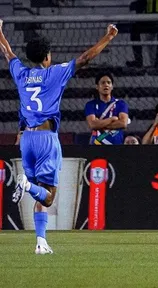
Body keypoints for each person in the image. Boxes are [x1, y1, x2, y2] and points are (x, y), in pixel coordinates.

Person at [0, 19, 118, 254]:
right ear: (46, 57)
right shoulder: (55, 73)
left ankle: (41, 242)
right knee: (49, 197)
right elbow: (85, 59)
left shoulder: (21, 73)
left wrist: (0, 32)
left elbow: (7, 52)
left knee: (39, 195)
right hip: (46, 139)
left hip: (27, 140)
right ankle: (25, 184)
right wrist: (109, 37)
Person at [85, 72, 129, 145]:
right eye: (103, 83)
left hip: (117, 145)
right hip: (97, 144)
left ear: (112, 86)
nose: (106, 85)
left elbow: (123, 123)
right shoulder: (90, 105)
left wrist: (99, 124)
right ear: (97, 87)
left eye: (109, 83)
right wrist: (112, 119)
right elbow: (92, 125)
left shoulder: (121, 104)